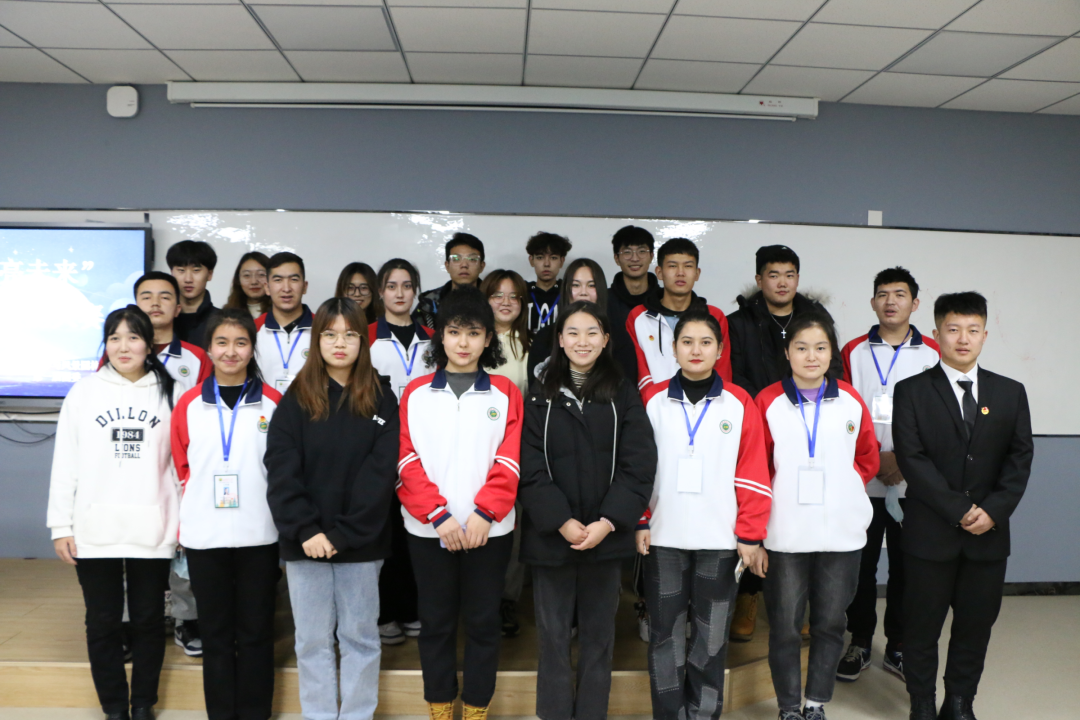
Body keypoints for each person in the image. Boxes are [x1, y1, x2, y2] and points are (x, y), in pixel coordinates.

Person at [893, 292, 1033, 720]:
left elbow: (1019, 458)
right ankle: (921, 703)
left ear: (985, 335)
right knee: (921, 627)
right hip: (929, 534)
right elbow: (912, 460)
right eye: (953, 330)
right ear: (936, 334)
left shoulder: (1010, 392)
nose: (963, 339)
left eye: (973, 330)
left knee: (975, 626)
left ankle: (959, 702)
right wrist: (958, 510)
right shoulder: (911, 391)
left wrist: (993, 510)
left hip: (988, 536)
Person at [519, 300, 656, 720]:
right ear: (559, 340)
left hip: (605, 537)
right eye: (573, 332)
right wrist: (560, 520)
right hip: (552, 537)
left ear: (606, 340)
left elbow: (639, 464)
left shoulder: (623, 393)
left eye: (592, 332)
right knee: (553, 637)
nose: (583, 341)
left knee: (599, 638)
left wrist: (608, 522)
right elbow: (528, 465)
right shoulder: (538, 394)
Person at [266, 298, 400, 720]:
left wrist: (343, 534)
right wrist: (306, 530)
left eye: (350, 335)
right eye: (329, 334)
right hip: (304, 542)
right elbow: (281, 468)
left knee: (360, 638)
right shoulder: (295, 398)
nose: (340, 343)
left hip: (360, 541)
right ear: (316, 340)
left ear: (363, 340)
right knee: (311, 641)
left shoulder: (382, 397)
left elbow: (381, 473)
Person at [47, 305, 180, 720]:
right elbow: (65, 461)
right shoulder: (83, 393)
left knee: (147, 621)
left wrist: (180, 525)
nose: (124, 346)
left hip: (153, 527)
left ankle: (142, 704)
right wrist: (60, 525)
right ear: (105, 344)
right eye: (115, 338)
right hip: (94, 528)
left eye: (133, 337)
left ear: (149, 344)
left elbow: (180, 466)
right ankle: (114, 708)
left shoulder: (171, 393)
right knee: (102, 621)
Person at [637, 310, 771, 720]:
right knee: (664, 637)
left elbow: (753, 470)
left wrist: (750, 534)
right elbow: (636, 468)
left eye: (706, 342)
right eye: (687, 342)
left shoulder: (739, 401)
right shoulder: (652, 400)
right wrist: (640, 519)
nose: (696, 350)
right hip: (663, 538)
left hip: (721, 541)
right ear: (674, 349)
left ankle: (704, 714)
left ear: (720, 349)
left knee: (711, 639)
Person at [397, 287, 522, 720]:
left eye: (473, 333)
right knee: (435, 623)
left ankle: (475, 710)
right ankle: (439, 707)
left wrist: (486, 513)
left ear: (488, 339)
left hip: (490, 530)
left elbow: (510, 458)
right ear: (441, 337)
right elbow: (405, 459)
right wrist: (438, 516)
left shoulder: (505, 392)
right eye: (454, 332)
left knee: (484, 623)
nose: (463, 342)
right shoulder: (416, 393)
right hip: (429, 531)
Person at [755, 312, 879, 720]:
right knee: (785, 626)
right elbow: (757, 467)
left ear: (831, 353)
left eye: (821, 348)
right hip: (785, 534)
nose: (812, 356)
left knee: (829, 623)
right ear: (787, 352)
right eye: (802, 347)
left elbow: (867, 459)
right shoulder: (767, 401)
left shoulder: (850, 400)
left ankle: (815, 703)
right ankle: (789, 706)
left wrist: (843, 489)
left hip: (840, 534)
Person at [170, 309, 282, 720]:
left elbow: (284, 470)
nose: (231, 351)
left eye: (240, 342)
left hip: (260, 534)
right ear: (209, 348)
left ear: (252, 349)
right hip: (204, 536)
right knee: (215, 634)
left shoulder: (274, 403)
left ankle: (255, 713)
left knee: (256, 632)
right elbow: (181, 468)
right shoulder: (188, 404)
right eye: (222, 342)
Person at [726, 244, 842, 642]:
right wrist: (765, 410)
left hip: (808, 431)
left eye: (789, 275)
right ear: (759, 279)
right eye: (773, 275)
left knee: (806, 517)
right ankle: (749, 595)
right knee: (757, 512)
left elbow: (834, 370)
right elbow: (735, 376)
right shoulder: (739, 322)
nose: (782, 282)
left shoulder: (816, 318)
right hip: (756, 425)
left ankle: (807, 604)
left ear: (797, 279)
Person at [835, 267, 940, 684]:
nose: (891, 301)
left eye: (900, 294)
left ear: (915, 303)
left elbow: (938, 417)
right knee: (859, 567)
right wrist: (875, 459)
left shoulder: (932, 352)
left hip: (913, 484)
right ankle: (860, 640)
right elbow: (842, 409)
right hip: (862, 478)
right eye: (883, 294)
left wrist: (901, 459)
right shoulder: (853, 351)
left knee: (907, 567)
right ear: (872, 302)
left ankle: (897, 645)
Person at [130, 271, 210, 655]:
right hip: (132, 469)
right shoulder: (120, 354)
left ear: (178, 307)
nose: (155, 303)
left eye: (165, 296)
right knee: (136, 544)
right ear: (135, 305)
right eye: (146, 296)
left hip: (181, 467)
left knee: (185, 545)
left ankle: (186, 619)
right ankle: (136, 620)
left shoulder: (197, 358)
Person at [369, 258, 428, 645]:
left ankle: (412, 609)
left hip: (424, 452)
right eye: (392, 286)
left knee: (417, 536)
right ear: (381, 292)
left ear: (416, 291)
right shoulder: (366, 337)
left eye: (407, 286)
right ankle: (385, 612)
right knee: (385, 533)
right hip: (381, 449)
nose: (400, 293)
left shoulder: (434, 339)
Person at [627, 238, 732, 395]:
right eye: (672, 266)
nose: (680, 273)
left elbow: (722, 369)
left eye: (688, 266)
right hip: (651, 405)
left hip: (704, 404)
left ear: (697, 273)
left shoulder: (714, 316)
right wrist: (654, 402)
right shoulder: (638, 316)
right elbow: (638, 370)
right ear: (659, 272)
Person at [527, 258, 608, 384]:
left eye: (591, 285)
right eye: (576, 285)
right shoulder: (544, 337)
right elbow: (535, 389)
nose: (583, 293)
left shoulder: (618, 335)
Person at [607, 226, 659, 382]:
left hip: (658, 385)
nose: (635, 258)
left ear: (651, 256)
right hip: (613, 384)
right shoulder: (603, 300)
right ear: (617, 258)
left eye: (642, 251)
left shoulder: (664, 300)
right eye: (627, 252)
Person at [255, 252, 312, 394]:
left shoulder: (324, 329)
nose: (286, 288)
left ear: (304, 286)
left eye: (294, 279)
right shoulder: (252, 330)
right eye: (278, 280)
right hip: (264, 407)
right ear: (267, 287)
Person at [413, 233, 486, 329]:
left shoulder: (495, 300)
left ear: (482, 266)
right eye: (456, 259)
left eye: (472, 259)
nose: (464, 265)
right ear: (447, 266)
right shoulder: (429, 303)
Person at [481, 269, 531, 396]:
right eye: (498, 296)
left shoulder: (532, 344)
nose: (506, 302)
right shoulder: (473, 341)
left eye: (513, 297)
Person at [168, 240, 218, 349]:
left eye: (196, 270)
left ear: (209, 274)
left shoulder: (221, 321)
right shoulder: (163, 319)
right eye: (181, 270)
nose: (188, 279)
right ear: (172, 273)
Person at [525, 231, 571, 334]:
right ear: (531, 260)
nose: (546, 264)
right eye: (540, 258)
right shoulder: (522, 291)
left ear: (561, 261)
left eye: (553, 258)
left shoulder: (569, 292)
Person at [223, 251, 271, 318]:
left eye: (261, 274)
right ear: (238, 280)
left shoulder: (280, 312)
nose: (254, 282)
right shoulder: (226, 314)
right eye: (247, 275)